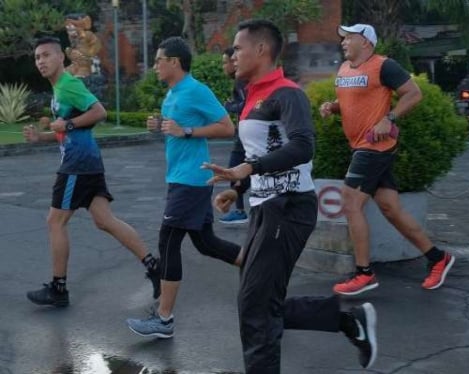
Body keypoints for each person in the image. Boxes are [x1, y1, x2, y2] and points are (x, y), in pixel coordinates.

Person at [203, 19, 378, 372]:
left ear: (261, 49)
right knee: (258, 302)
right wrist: (239, 188)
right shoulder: (253, 95)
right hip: (265, 208)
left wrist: (248, 172)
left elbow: (301, 146)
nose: (233, 56)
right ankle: (347, 318)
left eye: (238, 48)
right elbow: (264, 150)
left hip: (288, 208)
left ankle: (348, 319)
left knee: (256, 307)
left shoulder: (287, 92)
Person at [22, 36, 160, 307]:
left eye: (46, 55)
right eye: (37, 57)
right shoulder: (60, 89)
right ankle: (155, 266)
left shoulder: (68, 85)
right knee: (104, 220)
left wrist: (68, 126)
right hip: (88, 162)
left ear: (61, 57)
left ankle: (59, 288)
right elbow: (67, 129)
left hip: (78, 165)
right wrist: (43, 138)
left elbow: (99, 112)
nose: (41, 61)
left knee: (55, 221)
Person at [320, 24, 455, 295]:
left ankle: (364, 273)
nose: (344, 42)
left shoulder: (384, 65)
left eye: (350, 37)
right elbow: (351, 101)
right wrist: (332, 106)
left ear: (367, 42)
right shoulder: (345, 69)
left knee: (351, 203)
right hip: (359, 146)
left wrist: (389, 118)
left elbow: (413, 93)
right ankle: (438, 258)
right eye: (343, 38)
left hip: (374, 146)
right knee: (391, 209)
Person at [125, 36, 243, 338]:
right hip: (180, 178)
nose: (154, 67)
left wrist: (186, 130)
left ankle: (164, 319)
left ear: (174, 62)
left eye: (158, 61)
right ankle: (256, 263)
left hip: (191, 179)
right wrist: (161, 126)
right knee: (205, 242)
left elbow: (227, 127)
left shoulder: (195, 90)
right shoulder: (172, 94)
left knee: (168, 242)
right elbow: (174, 130)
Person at [218, 47, 250, 224]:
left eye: (225, 62)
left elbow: (248, 105)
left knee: (236, 171)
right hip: (242, 134)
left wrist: (229, 107)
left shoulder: (241, 80)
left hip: (246, 136)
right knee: (236, 172)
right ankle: (240, 210)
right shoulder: (240, 81)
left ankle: (240, 210)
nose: (224, 66)